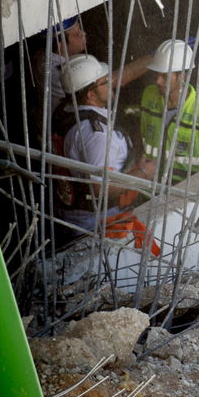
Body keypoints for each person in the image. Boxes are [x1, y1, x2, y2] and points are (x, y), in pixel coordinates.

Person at [57, 54, 159, 252]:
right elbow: (100, 188)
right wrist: (144, 173)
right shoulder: (96, 136)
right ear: (91, 95)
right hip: (98, 220)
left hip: (74, 213)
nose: (111, 83)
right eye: (105, 82)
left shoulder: (66, 111)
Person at [139, 39, 199, 183]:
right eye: (157, 74)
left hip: (184, 195)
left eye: (164, 76)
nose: (158, 81)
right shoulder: (148, 95)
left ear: (182, 75)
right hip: (148, 190)